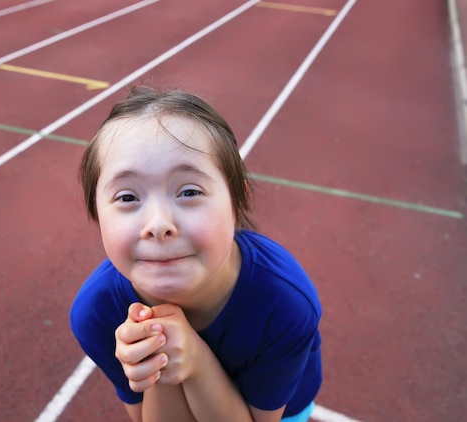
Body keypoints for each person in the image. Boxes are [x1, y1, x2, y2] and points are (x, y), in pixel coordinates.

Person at [70, 85, 322, 422]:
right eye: (128, 197)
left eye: (189, 191)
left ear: (235, 197)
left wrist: (197, 362)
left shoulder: (285, 303)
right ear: (97, 213)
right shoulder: (96, 312)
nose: (158, 224)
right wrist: (161, 357)